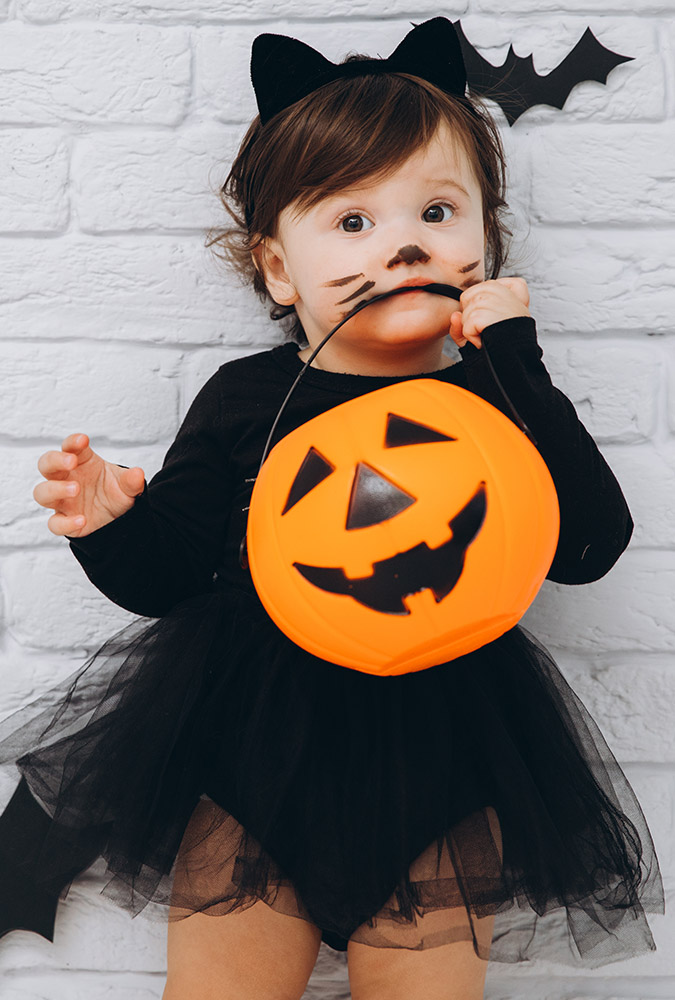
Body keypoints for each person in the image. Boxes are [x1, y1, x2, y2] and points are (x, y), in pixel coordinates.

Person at [0, 17, 664, 1000]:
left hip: (449, 760)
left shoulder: (492, 404)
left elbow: (588, 545)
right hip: (252, 766)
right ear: (278, 268)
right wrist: (111, 524)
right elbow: (171, 574)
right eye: (353, 222)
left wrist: (516, 362)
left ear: (485, 242)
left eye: (436, 212)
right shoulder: (243, 398)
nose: (400, 242)